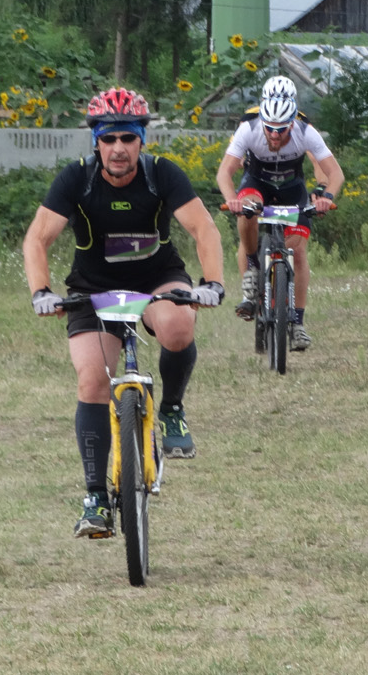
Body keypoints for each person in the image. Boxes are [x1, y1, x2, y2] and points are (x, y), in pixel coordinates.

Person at [23, 86, 225, 539]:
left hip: (157, 280)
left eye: (128, 138)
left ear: (141, 140)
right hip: (93, 289)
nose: (119, 148)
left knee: (177, 324)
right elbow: (38, 238)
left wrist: (212, 283)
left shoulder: (161, 175)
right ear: (96, 140)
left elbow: (203, 229)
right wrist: (42, 291)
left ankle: (171, 408)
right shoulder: (76, 178)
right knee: (93, 381)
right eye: (109, 138)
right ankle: (96, 497)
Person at [216, 74, 344, 352]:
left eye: (282, 129)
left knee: (297, 252)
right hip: (257, 183)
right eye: (270, 128)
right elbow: (224, 172)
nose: (275, 135)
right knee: (246, 208)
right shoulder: (248, 128)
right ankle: (251, 267)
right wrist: (231, 200)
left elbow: (335, 173)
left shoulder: (305, 130)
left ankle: (297, 323)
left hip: (291, 187)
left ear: (292, 123)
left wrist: (325, 196)